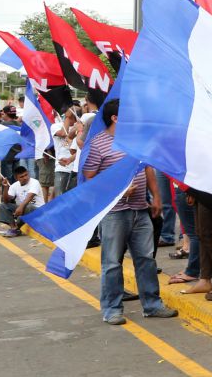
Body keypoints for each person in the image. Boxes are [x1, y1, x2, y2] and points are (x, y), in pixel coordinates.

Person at [83, 98, 177, 325]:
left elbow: (147, 168)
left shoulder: (136, 140)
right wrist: (118, 191)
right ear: (115, 118)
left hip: (140, 209)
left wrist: (156, 197)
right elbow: (90, 178)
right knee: (112, 262)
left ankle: (152, 305)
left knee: (146, 259)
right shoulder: (98, 144)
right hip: (114, 213)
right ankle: (112, 309)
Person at [0, 165, 44, 237]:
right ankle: (14, 228)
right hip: (24, 209)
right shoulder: (14, 186)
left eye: (26, 175)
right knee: (2, 205)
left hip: (37, 209)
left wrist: (20, 207)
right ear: (16, 178)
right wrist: (5, 187)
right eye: (21, 177)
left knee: (29, 206)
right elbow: (6, 201)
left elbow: (30, 196)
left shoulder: (34, 182)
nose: (25, 178)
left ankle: (17, 228)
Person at [51, 107, 81, 198]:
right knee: (60, 197)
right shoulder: (55, 126)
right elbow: (63, 133)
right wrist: (68, 117)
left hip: (76, 169)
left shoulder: (81, 128)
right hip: (62, 168)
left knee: (73, 198)